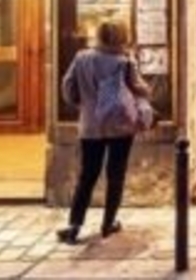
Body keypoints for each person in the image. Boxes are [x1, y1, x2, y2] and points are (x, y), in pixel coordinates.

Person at [56, 20, 151, 244]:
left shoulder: (82, 58)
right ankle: (108, 223)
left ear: (98, 35)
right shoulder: (125, 61)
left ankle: (74, 225)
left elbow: (68, 88)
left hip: (91, 126)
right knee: (115, 175)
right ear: (122, 37)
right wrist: (145, 89)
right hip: (120, 126)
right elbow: (139, 89)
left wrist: (83, 104)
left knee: (87, 175)